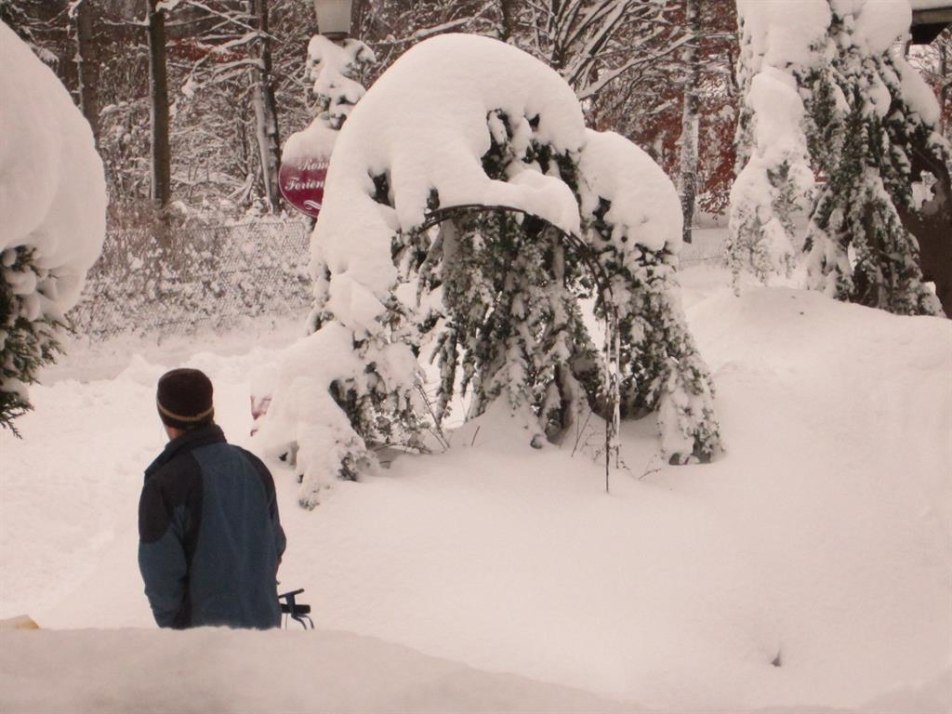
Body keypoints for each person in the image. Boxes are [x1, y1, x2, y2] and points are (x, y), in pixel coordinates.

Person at [138, 368, 286, 629]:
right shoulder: (253, 467)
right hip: (265, 638)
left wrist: (180, 634)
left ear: (165, 418)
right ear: (210, 409)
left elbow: (161, 578)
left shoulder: (164, 486)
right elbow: (275, 547)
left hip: (205, 650)